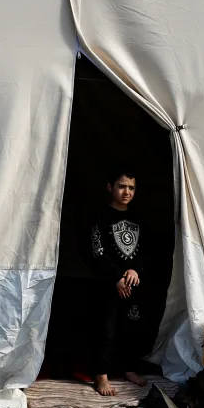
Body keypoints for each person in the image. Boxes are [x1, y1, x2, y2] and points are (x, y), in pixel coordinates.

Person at [89, 169, 148, 396]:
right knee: (107, 329)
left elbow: (144, 251)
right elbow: (98, 251)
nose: (127, 192)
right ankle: (101, 375)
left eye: (131, 187)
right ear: (110, 187)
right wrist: (116, 278)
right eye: (122, 186)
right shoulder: (101, 217)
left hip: (133, 284)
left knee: (131, 328)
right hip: (108, 285)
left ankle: (129, 369)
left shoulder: (138, 219)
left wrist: (135, 270)